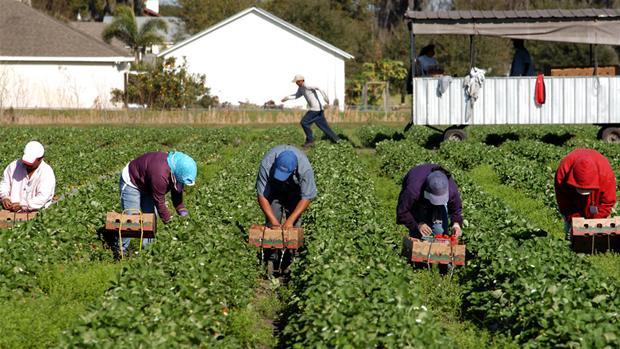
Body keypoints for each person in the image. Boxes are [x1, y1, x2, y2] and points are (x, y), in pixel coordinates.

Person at [116, 151, 196, 253]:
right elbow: (159, 202)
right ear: (177, 173)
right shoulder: (160, 173)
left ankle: (147, 251)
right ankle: (121, 250)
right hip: (132, 181)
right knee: (132, 218)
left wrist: (183, 212)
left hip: (148, 184)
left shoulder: (177, 171)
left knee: (150, 218)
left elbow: (177, 194)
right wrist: (170, 222)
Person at [256, 145, 316, 273]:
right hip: (274, 189)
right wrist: (273, 221)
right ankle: (271, 258)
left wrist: (290, 220)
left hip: (295, 191)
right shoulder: (267, 163)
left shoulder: (305, 169)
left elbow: (307, 197)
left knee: (293, 226)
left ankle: (290, 259)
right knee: (273, 224)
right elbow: (261, 195)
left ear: (294, 169)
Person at [555, 148, 616, 237]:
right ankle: (571, 243)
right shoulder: (563, 172)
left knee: (601, 235)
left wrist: (596, 223)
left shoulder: (605, 174)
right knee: (572, 234)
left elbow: (607, 202)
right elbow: (565, 204)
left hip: (596, 204)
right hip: (573, 201)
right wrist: (576, 222)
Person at [396, 164, 463, 239]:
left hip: (434, 197)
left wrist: (456, 224)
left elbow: (456, 209)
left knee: (440, 232)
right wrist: (418, 225)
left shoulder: (451, 189)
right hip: (418, 201)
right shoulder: (413, 190)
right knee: (419, 235)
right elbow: (402, 212)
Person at [281, 74, 340, 148]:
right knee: (324, 127)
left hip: (315, 109)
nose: (297, 83)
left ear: (302, 80)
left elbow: (319, 87)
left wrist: (325, 98)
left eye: (298, 82)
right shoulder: (301, 88)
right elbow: (297, 95)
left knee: (304, 122)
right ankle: (338, 140)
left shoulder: (307, 85)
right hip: (319, 110)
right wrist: (287, 98)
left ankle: (310, 141)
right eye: (296, 82)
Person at [0, 141, 55, 212]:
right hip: (10, 211)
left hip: (37, 213)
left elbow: (42, 198)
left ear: (40, 159)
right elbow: (4, 184)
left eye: (30, 163)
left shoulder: (47, 172)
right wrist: (4, 197)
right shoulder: (13, 166)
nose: (27, 164)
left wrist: (22, 205)